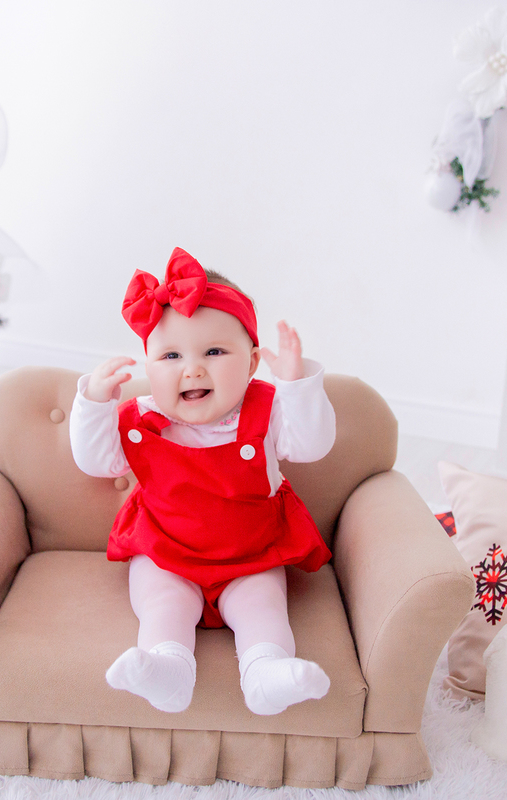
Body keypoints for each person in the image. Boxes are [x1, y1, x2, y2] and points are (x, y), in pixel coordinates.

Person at [69, 247, 336, 716]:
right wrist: (94, 403)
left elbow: (312, 445)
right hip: (166, 553)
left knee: (264, 607)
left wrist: (296, 385)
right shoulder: (140, 420)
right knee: (162, 604)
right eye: (170, 355)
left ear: (252, 362)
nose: (192, 368)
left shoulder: (267, 411)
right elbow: (96, 462)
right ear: (149, 366)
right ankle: (167, 670)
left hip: (251, 555)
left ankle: (266, 671)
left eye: (214, 351)